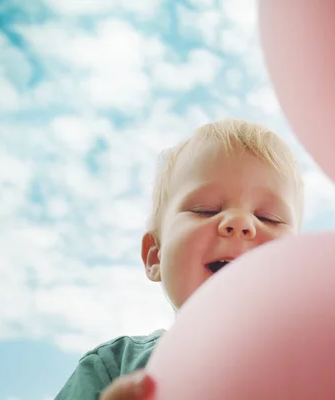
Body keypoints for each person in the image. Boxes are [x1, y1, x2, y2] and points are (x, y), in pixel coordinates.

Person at [55, 118, 305, 400]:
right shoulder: (113, 367)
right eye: (205, 210)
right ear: (154, 256)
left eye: (267, 217)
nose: (240, 221)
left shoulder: (322, 366)